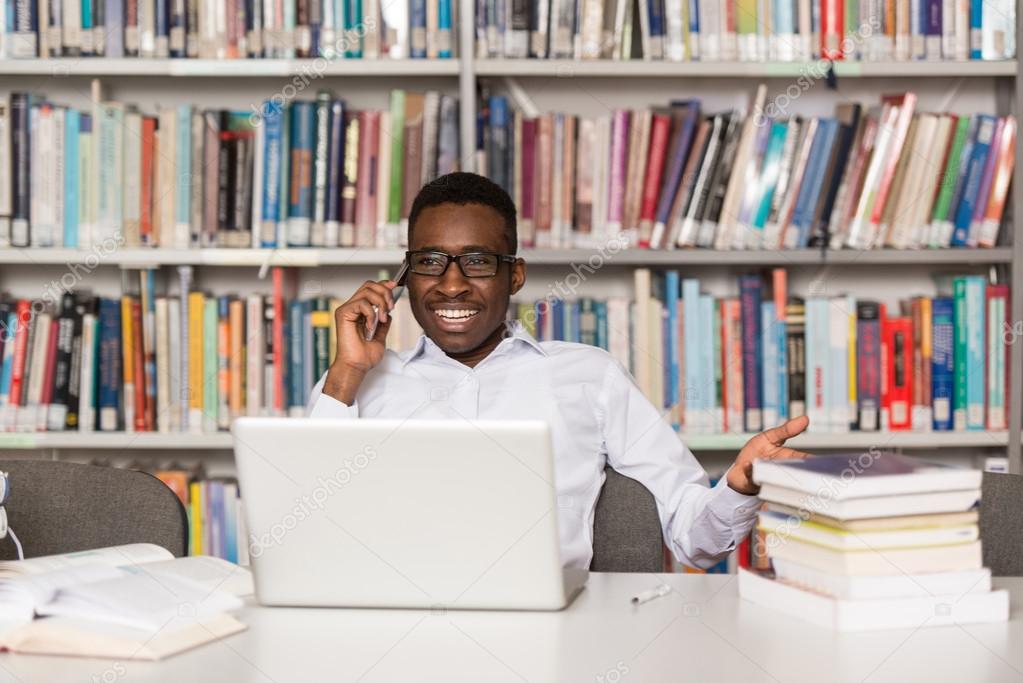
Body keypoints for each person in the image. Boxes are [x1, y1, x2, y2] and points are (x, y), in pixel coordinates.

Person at [307, 171, 811, 570]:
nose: (452, 284)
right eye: (431, 261)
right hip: (393, 636)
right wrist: (346, 373)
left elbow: (695, 540)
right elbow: (305, 531)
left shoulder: (588, 377)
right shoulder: (354, 384)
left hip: (552, 641)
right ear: (403, 277)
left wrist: (738, 487)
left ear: (516, 274)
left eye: (478, 262)